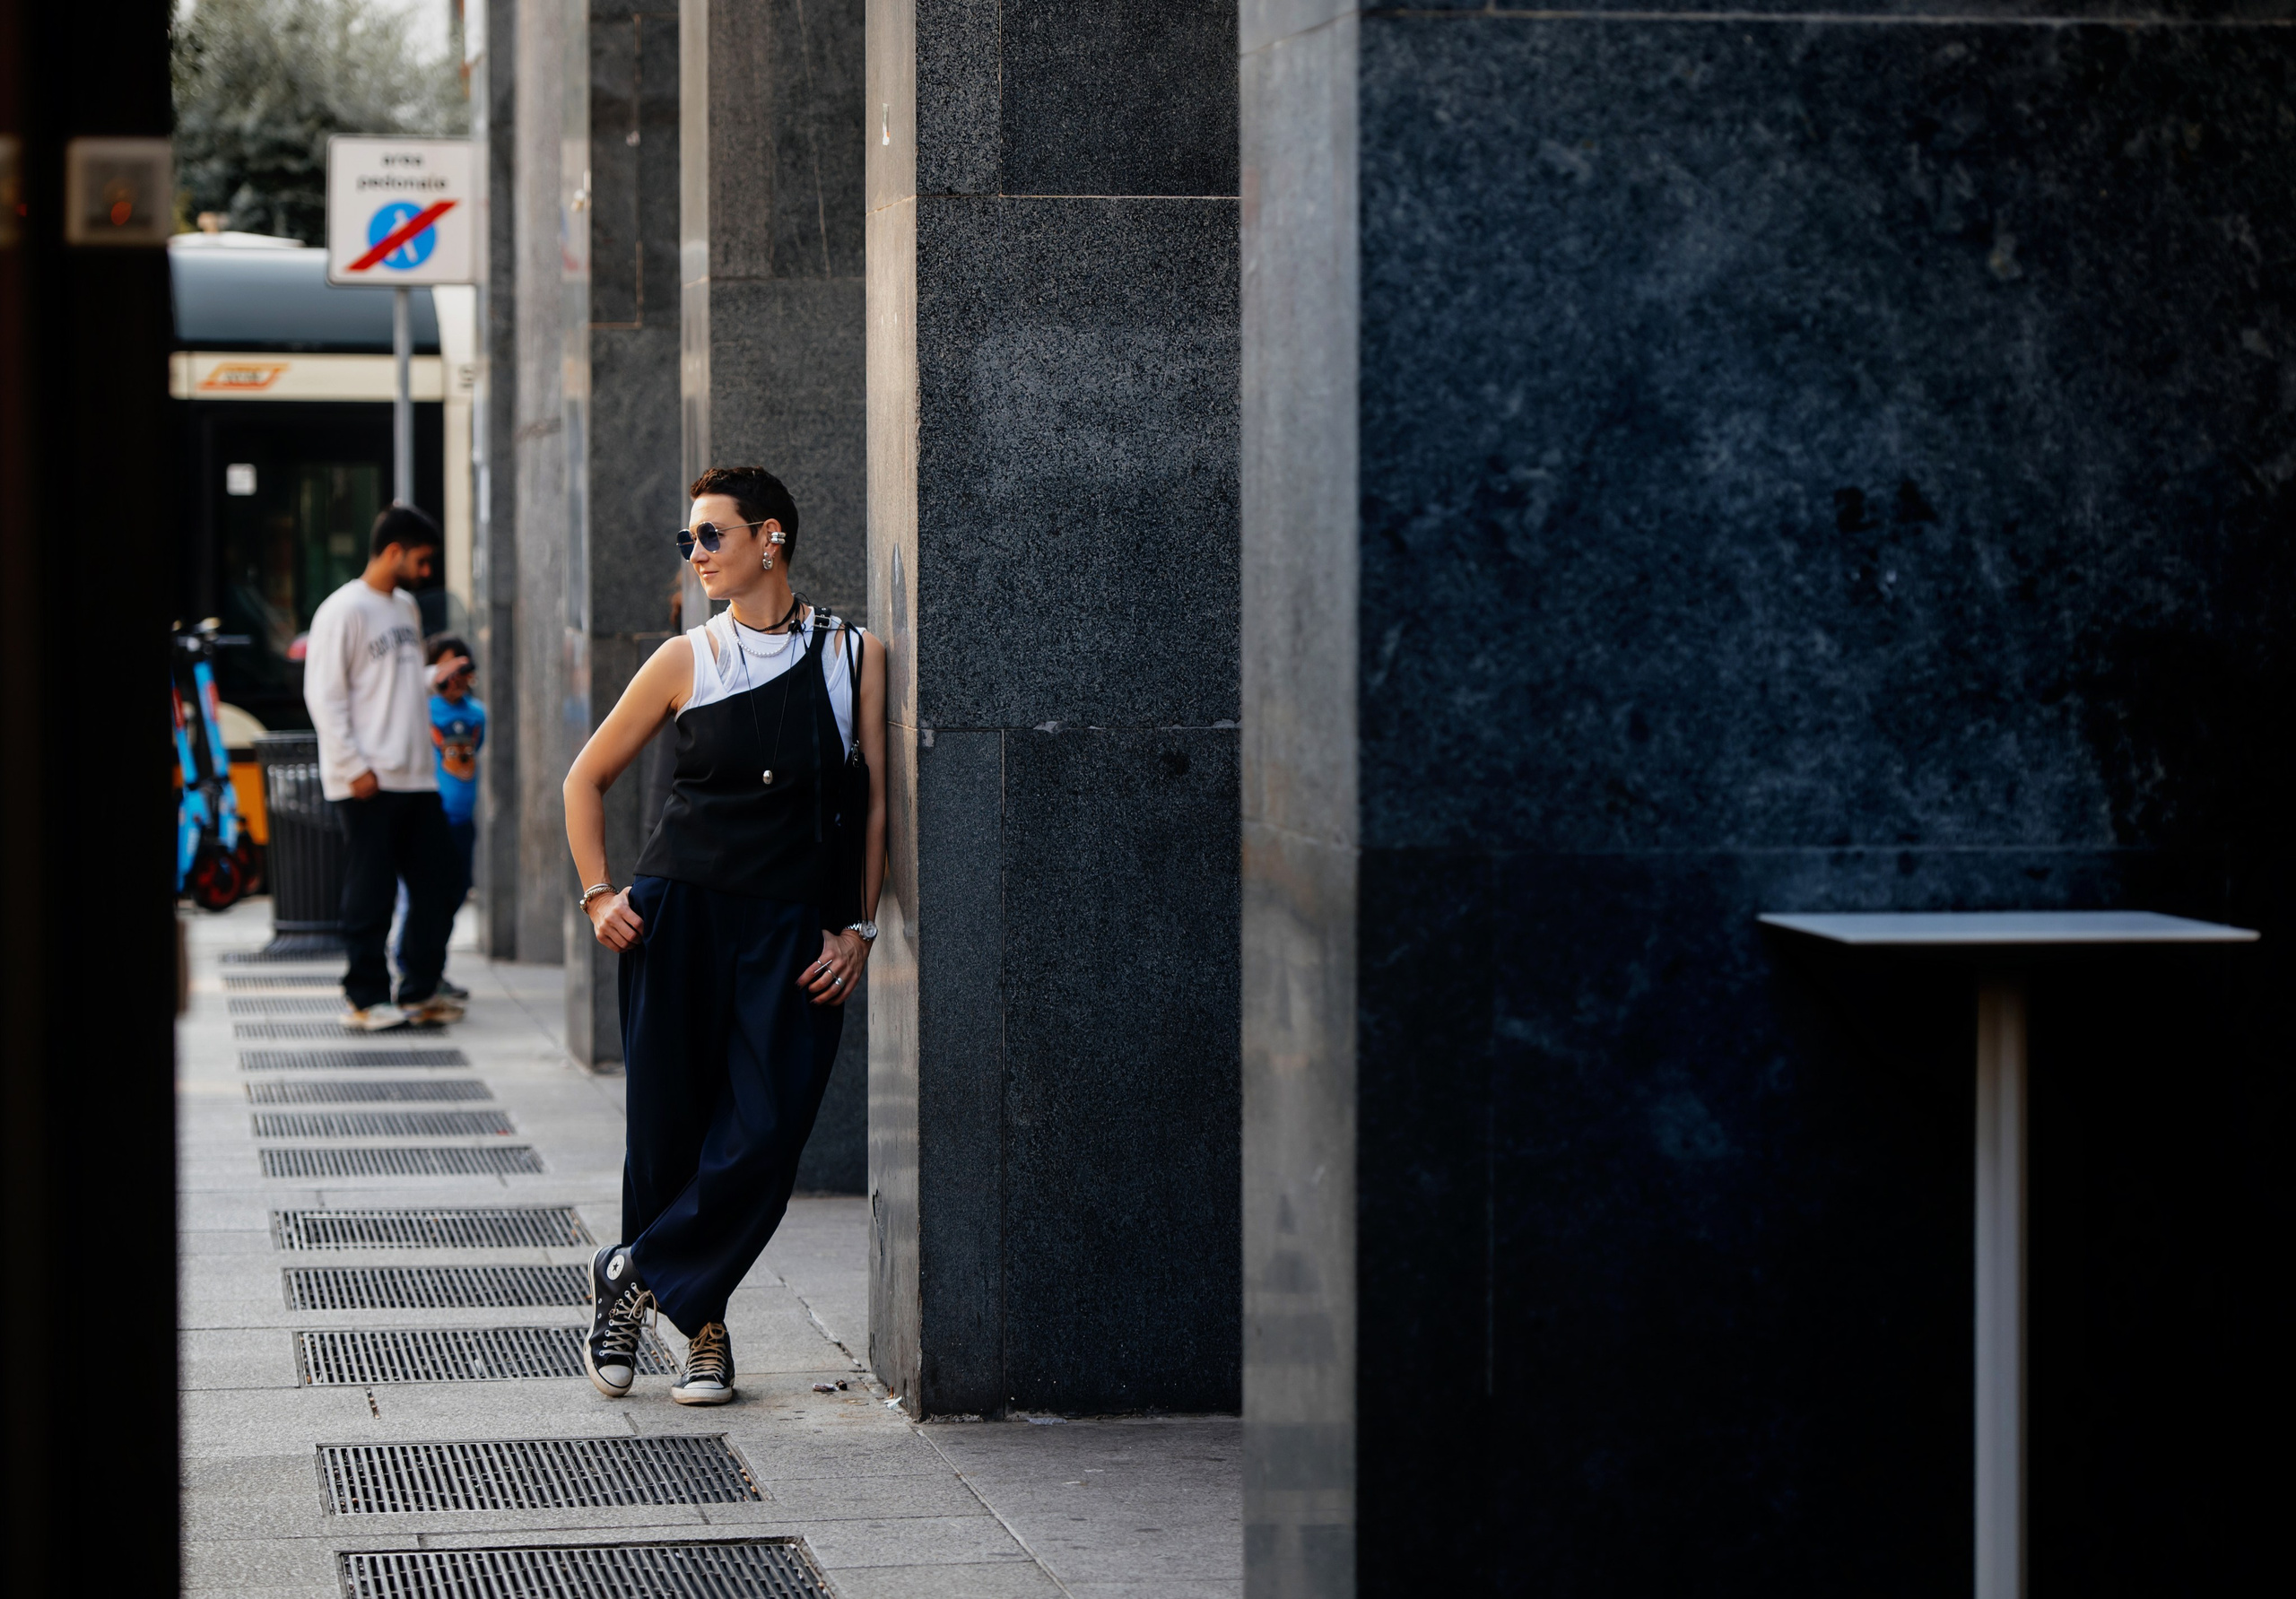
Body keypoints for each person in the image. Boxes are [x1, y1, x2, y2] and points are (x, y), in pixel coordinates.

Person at [561, 465, 886, 1406]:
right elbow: (584, 783)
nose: (695, 554)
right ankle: (700, 1328)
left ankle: (631, 1268)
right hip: (678, 914)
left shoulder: (852, 653)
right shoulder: (684, 657)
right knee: (667, 1128)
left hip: (791, 929)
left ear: (770, 537)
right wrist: (596, 895)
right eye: (688, 540)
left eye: (711, 535)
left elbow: (871, 811)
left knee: (767, 1130)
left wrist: (860, 925)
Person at [303, 504, 467, 1031]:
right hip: (368, 778)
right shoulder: (342, 610)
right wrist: (353, 765)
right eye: (421, 561)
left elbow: (390, 681)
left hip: (416, 775)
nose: (426, 573)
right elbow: (323, 695)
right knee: (370, 891)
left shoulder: (404, 609)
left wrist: (431, 678)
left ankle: (419, 989)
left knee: (442, 882)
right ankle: (366, 996)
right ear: (393, 551)